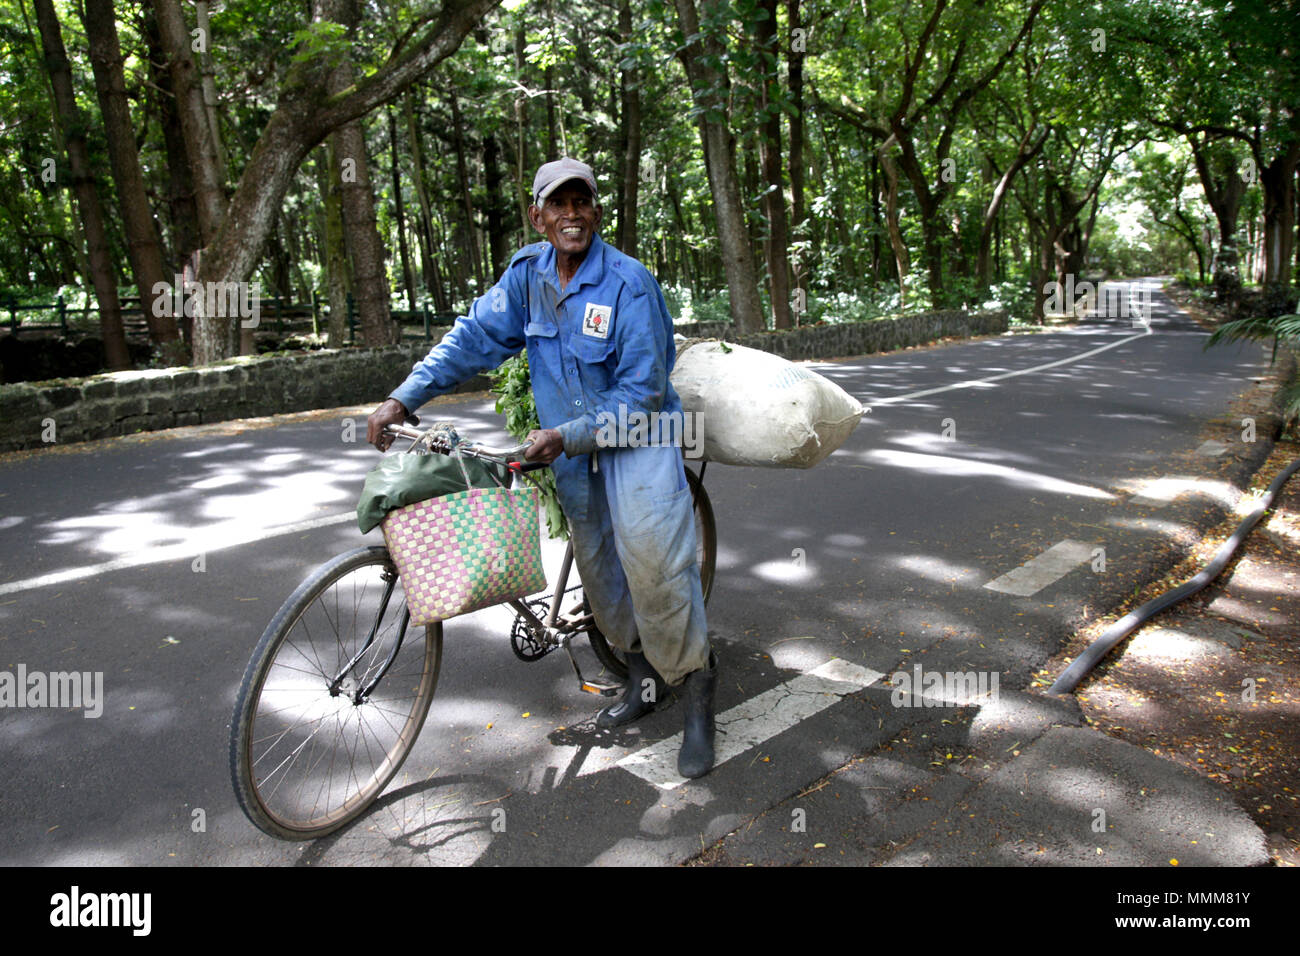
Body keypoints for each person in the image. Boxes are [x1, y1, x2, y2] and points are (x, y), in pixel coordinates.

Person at [366, 158, 717, 778]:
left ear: (596, 212)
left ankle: (696, 697)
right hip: (573, 455)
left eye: (581, 202)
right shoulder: (527, 276)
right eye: (558, 205)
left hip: (637, 440)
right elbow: (472, 338)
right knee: (604, 575)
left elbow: (641, 396)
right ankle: (640, 681)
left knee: (655, 566)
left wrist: (567, 435)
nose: (570, 215)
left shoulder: (630, 285)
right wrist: (404, 397)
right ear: (539, 216)